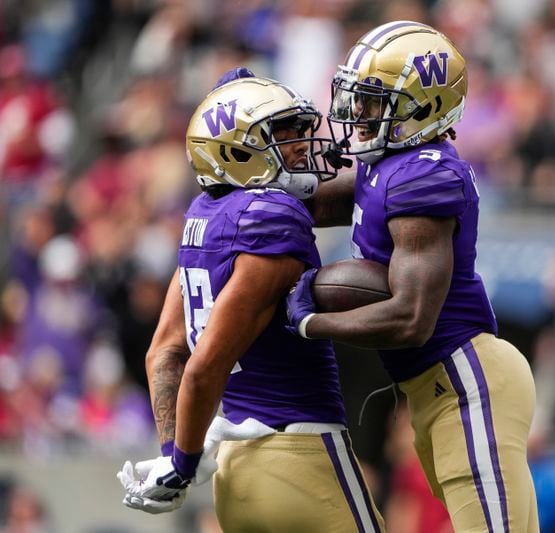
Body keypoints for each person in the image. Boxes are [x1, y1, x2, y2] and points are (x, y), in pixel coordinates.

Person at [287, 21, 539, 533]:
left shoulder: (424, 176)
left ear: (422, 107)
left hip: (466, 379)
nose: (357, 115)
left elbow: (410, 318)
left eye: (374, 103)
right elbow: (306, 203)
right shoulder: (390, 166)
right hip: (432, 388)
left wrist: (311, 322)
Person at [117, 72, 384, 533]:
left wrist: (176, 453)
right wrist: (183, 460)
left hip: (235, 471)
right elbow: (203, 366)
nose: (301, 143)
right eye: (283, 133)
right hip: (302, 456)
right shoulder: (272, 219)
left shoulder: (203, 215)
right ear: (236, 150)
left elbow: (164, 352)